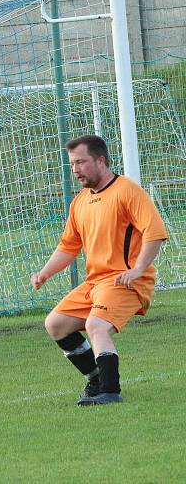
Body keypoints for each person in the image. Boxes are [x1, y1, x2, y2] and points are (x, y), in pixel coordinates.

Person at [31, 134, 167, 405]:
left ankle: (109, 392)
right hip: (96, 283)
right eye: (72, 164)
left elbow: (154, 234)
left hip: (124, 281)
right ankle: (96, 379)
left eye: (81, 162)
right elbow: (69, 247)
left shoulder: (127, 191)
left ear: (101, 160)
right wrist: (45, 272)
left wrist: (138, 269)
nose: (75, 169)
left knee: (96, 325)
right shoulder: (80, 202)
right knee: (56, 324)